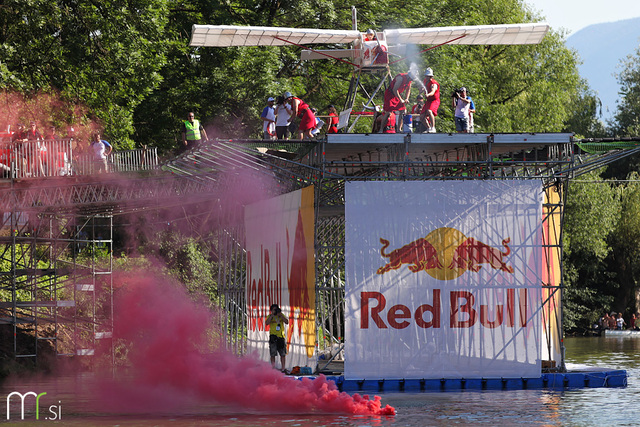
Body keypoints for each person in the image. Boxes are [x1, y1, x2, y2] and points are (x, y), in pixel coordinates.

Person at [266, 303, 289, 372]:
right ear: (271, 310)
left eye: (276, 309)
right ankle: (273, 368)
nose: (275, 311)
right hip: (273, 336)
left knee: (282, 354)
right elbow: (267, 323)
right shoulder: (270, 316)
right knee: (273, 354)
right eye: (274, 310)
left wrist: (281, 315)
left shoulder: (281, 316)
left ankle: (283, 368)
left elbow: (286, 322)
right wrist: (272, 315)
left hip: (280, 336)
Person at [420, 68, 440, 133]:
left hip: (434, 100)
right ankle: (428, 128)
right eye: (426, 76)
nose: (426, 77)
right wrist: (421, 90)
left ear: (431, 76)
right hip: (428, 101)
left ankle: (433, 127)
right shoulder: (425, 81)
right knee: (422, 116)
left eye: (427, 76)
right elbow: (423, 87)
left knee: (429, 111)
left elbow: (433, 91)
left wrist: (428, 95)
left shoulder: (434, 84)